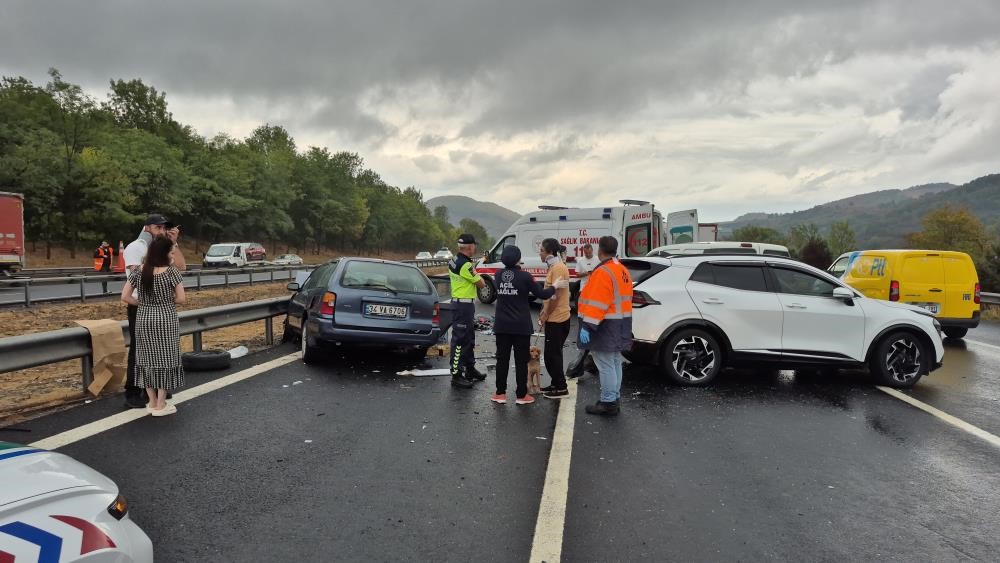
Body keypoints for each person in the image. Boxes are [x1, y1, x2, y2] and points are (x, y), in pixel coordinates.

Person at [492, 245, 566, 404]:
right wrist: (555, 286)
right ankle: (521, 395)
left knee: (502, 360)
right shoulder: (525, 276)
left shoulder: (497, 275)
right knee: (521, 361)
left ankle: (500, 394)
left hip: (502, 325)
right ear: (518, 259)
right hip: (520, 326)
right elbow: (542, 294)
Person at [120, 237, 186, 416]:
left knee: (146, 359)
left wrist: (141, 302)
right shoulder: (171, 272)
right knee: (165, 358)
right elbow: (181, 299)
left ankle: (151, 401)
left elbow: (125, 297)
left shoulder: (138, 271)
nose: (172, 255)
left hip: (143, 318)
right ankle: (161, 402)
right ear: (164, 253)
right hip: (165, 318)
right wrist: (166, 300)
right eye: (171, 251)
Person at [577, 236, 634, 416]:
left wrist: (587, 326)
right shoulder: (622, 269)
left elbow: (598, 303)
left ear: (600, 250)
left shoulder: (603, 271)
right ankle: (614, 398)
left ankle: (608, 402)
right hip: (619, 323)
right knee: (615, 361)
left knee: (605, 364)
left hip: (605, 324)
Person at [122, 214, 169, 408]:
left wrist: (172, 244)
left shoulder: (161, 248)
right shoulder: (136, 247)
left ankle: (158, 389)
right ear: (147, 228)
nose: (162, 231)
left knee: (159, 348)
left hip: (159, 306)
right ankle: (133, 391)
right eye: (158, 228)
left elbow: (179, 268)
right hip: (140, 305)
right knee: (139, 349)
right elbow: (136, 274)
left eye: (163, 228)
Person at [448, 234, 487, 389]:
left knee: (469, 337)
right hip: (463, 306)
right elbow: (482, 284)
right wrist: (477, 272)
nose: (475, 248)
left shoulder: (453, 260)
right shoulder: (466, 265)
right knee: (459, 340)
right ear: (470, 247)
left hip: (461, 304)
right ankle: (456, 374)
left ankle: (470, 368)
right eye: (474, 246)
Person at [537, 238, 572, 399]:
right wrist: (544, 310)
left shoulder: (558, 268)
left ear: (549, 252)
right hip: (555, 317)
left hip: (557, 319)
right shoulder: (555, 267)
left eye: (542, 251)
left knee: (553, 355)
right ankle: (555, 383)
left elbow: (555, 297)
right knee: (552, 353)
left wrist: (545, 314)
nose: (540, 253)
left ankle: (561, 387)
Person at [566, 243, 600, 379]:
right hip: (584, 291)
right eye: (585, 252)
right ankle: (585, 361)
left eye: (589, 252)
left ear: (592, 250)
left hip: (596, 292)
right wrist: (586, 273)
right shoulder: (581, 261)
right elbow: (576, 274)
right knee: (584, 326)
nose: (587, 254)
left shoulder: (597, 260)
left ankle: (587, 362)